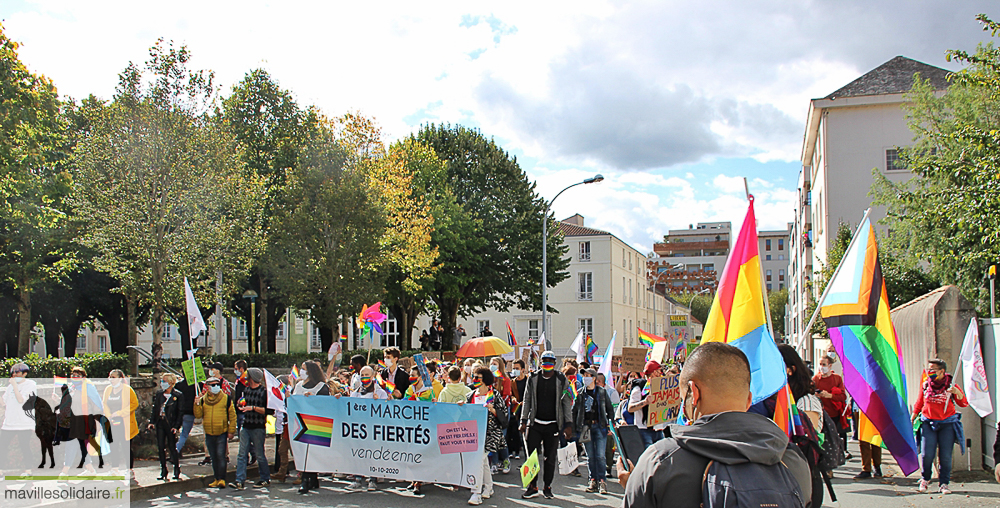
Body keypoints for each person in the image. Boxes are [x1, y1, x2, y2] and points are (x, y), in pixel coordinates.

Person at [621, 342, 812, 508]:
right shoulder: (792, 459)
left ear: (693, 394)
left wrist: (634, 485)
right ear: (749, 400)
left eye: (682, 399)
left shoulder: (660, 461)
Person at [519, 350, 574, 499]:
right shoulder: (533, 378)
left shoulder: (561, 379)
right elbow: (527, 399)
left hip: (553, 425)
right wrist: (523, 421)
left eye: (550, 361)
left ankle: (547, 487)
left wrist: (568, 424)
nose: (547, 364)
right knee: (532, 457)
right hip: (535, 424)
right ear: (540, 363)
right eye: (545, 361)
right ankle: (532, 486)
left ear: (555, 363)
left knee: (550, 459)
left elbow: (566, 402)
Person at [912, 359, 967, 494]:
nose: (929, 372)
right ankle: (925, 479)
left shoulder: (951, 385)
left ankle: (944, 483)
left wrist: (957, 393)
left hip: (947, 424)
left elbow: (964, 403)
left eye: (933, 370)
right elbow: (919, 403)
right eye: (928, 369)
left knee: (946, 456)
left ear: (942, 371)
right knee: (926, 454)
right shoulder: (926, 385)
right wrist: (912, 418)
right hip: (928, 423)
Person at [468, 367, 508, 505]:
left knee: (478, 461)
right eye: (474, 376)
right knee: (483, 462)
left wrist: (493, 409)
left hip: (490, 434)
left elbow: (504, 417)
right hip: (474, 434)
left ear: (485, 379)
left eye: (477, 377)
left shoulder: (494, 395)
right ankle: (489, 487)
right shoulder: (471, 395)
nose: (474, 380)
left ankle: (476, 492)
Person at [346, 366, 388, 492]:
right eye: (362, 375)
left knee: (372, 454)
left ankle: (372, 480)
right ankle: (357, 479)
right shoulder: (356, 393)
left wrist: (379, 402)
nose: (364, 377)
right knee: (359, 454)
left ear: (373, 376)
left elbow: (386, 411)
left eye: (367, 375)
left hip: (374, 430)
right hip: (359, 430)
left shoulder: (380, 393)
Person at [229, 368, 271, 490]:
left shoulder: (264, 392)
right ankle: (239, 480)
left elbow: (268, 411)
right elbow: (242, 404)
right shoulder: (246, 390)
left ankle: (265, 478)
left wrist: (252, 408)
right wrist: (240, 404)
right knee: (242, 454)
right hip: (246, 425)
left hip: (258, 427)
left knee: (259, 454)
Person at [575, 368, 615, 494]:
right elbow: (575, 411)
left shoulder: (602, 392)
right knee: (590, 456)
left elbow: (609, 409)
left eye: (588, 375)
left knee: (600, 456)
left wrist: (610, 425)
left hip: (600, 426)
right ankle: (593, 480)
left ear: (593, 378)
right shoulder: (581, 393)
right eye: (584, 375)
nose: (585, 378)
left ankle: (602, 481)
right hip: (586, 428)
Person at [294, 361, 330, 493]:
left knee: (311, 453)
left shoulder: (321, 387)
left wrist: (313, 400)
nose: (301, 371)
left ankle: (306, 480)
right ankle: (312, 478)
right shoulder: (298, 386)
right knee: (302, 452)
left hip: (316, 424)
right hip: (300, 423)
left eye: (303, 369)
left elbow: (325, 405)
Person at [194, 377, 235, 488]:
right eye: (212, 385)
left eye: (216, 384)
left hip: (221, 431)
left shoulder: (226, 398)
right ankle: (216, 478)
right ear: (207, 387)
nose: (215, 387)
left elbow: (232, 416)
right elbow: (198, 415)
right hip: (209, 432)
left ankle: (222, 479)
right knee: (213, 456)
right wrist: (196, 404)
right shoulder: (203, 400)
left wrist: (231, 431)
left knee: (221, 456)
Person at [102, 369, 139, 482]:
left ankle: (129, 470)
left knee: (126, 446)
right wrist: (109, 415)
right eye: (110, 376)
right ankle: (115, 469)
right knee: (113, 446)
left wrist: (120, 413)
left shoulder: (127, 390)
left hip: (125, 423)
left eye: (113, 377)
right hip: (112, 423)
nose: (111, 379)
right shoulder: (108, 389)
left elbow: (134, 404)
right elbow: (104, 403)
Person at [813, 354, 850, 461]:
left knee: (837, 435)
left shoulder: (836, 379)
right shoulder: (816, 379)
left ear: (830, 366)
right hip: (821, 413)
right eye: (820, 364)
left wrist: (830, 395)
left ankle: (840, 453)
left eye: (824, 364)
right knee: (824, 437)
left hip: (835, 413)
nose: (821, 367)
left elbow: (843, 396)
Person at [1, 363, 36, 476]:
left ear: (24, 374)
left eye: (17, 372)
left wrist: (15, 386)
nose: (14, 375)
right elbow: (4, 402)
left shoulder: (30, 385)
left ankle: (28, 470)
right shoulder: (11, 386)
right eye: (13, 372)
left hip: (24, 422)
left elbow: (21, 400)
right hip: (9, 422)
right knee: (2, 445)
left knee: (24, 446)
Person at [148, 373, 183, 481]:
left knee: (172, 447)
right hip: (160, 423)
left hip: (170, 424)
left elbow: (180, 412)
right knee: (161, 446)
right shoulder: (159, 394)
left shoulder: (177, 395)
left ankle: (176, 468)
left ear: (171, 383)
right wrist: (152, 422)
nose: (162, 383)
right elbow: (155, 409)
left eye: (165, 381)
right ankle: (163, 469)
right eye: (162, 381)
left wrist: (176, 426)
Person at [629, 360, 666, 449]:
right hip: (644, 430)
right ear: (652, 373)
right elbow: (630, 408)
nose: (659, 374)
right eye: (657, 371)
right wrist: (644, 402)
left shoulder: (662, 386)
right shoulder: (639, 388)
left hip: (658, 429)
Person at [488, 357, 513, 474]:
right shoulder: (489, 379)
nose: (492, 365)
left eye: (495, 364)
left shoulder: (505, 379)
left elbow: (507, 395)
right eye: (491, 363)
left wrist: (497, 404)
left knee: (500, 437)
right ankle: (494, 463)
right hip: (490, 410)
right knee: (493, 437)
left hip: (502, 410)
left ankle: (506, 460)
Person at [596, 372, 618, 477]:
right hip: (596, 424)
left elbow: (614, 410)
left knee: (608, 448)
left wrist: (611, 426)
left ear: (599, 382)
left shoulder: (611, 392)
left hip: (607, 425)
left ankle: (608, 468)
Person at [507, 359, 528, 459]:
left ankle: (528, 452)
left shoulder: (528, 380)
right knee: (515, 430)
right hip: (517, 409)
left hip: (527, 409)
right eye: (513, 368)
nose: (515, 370)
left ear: (523, 369)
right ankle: (515, 451)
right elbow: (510, 394)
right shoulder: (512, 382)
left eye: (517, 368)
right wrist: (513, 399)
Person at [174, 377, 198, 458]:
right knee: (184, 433)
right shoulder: (197, 386)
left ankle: (175, 449)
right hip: (190, 411)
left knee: (177, 432)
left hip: (179, 411)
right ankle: (177, 450)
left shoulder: (179, 385)